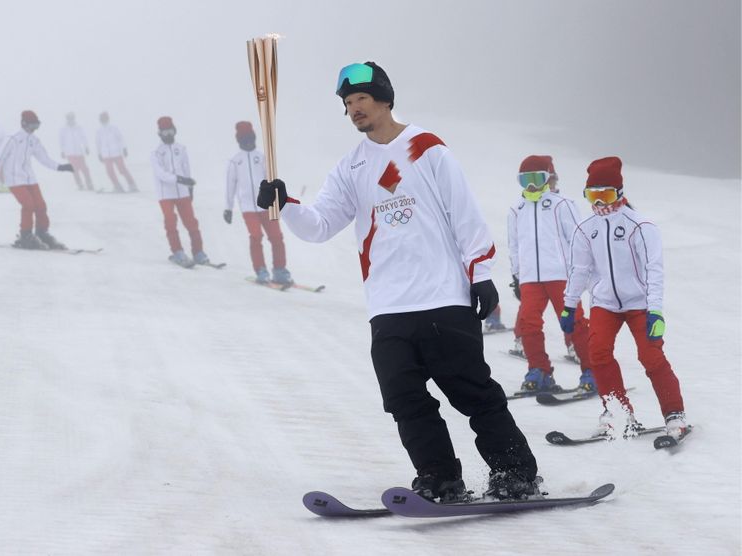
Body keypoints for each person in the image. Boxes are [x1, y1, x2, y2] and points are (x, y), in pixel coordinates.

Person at [257, 61, 540, 502]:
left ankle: (516, 474)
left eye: (362, 99)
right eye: (348, 103)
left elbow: (463, 212)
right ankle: (440, 478)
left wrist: (480, 272)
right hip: (388, 306)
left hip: (443, 296)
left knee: (472, 393)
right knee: (404, 400)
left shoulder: (426, 148)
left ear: (385, 99)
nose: (354, 109)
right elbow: (320, 225)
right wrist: (286, 203)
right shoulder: (351, 166)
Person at [560, 156, 688, 440]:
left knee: (650, 356)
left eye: (605, 194)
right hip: (605, 303)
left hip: (640, 304)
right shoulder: (585, 228)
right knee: (598, 353)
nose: (599, 203)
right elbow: (580, 270)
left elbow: (654, 270)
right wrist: (569, 306)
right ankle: (618, 412)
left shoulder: (640, 226)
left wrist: (655, 311)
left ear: (619, 193)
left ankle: (674, 414)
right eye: (592, 195)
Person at [507, 155, 593, 394]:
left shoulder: (561, 204)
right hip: (530, 278)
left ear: (547, 178)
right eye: (525, 180)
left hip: (560, 276)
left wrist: (580, 273)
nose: (531, 185)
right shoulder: (517, 209)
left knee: (573, 322)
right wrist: (517, 276)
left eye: (537, 178)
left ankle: (591, 370)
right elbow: (514, 245)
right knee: (528, 323)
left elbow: (578, 240)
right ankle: (539, 370)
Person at [0, 110, 74, 249]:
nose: (34, 129)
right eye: (32, 126)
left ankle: (42, 233)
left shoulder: (34, 140)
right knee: (29, 205)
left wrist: (60, 167)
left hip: (30, 178)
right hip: (15, 179)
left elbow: (44, 158)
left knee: (41, 205)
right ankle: (26, 236)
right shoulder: (12, 138)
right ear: (24, 123)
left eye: (36, 126)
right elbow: (0, 157)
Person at [224, 121, 292, 285]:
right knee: (256, 236)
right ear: (239, 140)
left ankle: (279, 271)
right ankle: (261, 270)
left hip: (266, 205)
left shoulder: (261, 156)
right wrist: (228, 208)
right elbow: (230, 185)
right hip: (248, 207)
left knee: (276, 237)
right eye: (244, 138)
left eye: (250, 137)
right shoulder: (235, 161)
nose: (248, 141)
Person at [150, 116, 211, 268]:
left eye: (170, 131)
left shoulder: (181, 149)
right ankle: (177, 251)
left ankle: (198, 252)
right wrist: (179, 179)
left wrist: (190, 188)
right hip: (166, 194)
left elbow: (186, 169)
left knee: (191, 222)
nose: (168, 135)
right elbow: (161, 174)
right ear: (160, 133)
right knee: (170, 221)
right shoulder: (156, 152)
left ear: (175, 131)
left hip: (182, 192)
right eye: (165, 132)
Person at [96, 111, 137, 192]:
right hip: (106, 155)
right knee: (109, 172)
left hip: (116, 153)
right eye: (102, 119)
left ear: (107, 119)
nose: (103, 120)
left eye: (105, 118)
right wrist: (99, 154)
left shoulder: (114, 128)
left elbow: (121, 139)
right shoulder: (99, 131)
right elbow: (98, 143)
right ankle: (117, 186)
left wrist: (124, 148)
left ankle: (132, 184)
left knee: (122, 170)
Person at [59, 112, 94, 191]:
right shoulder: (63, 129)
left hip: (79, 152)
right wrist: (62, 151)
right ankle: (80, 184)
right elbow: (61, 141)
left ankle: (89, 183)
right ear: (67, 119)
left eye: (72, 118)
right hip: (70, 153)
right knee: (74, 169)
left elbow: (83, 138)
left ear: (74, 119)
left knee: (84, 168)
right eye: (69, 118)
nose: (70, 120)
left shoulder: (79, 128)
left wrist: (86, 147)